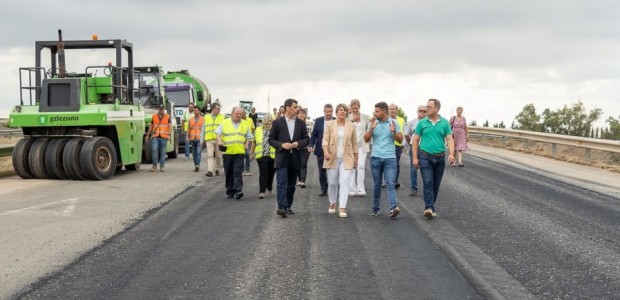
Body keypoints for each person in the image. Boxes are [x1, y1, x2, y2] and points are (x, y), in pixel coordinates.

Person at [412, 99, 455, 219]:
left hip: (440, 157)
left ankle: (431, 206)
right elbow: (415, 140)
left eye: (429, 107)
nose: (427, 109)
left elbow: (450, 139)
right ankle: (429, 207)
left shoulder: (445, 123)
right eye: (426, 106)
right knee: (428, 182)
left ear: (437, 109)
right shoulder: (422, 123)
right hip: (425, 156)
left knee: (436, 185)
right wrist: (415, 158)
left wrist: (452, 154)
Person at [269, 99, 309, 218]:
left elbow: (306, 139)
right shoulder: (277, 122)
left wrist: (298, 144)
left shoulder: (301, 124)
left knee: (291, 184)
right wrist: (281, 145)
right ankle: (281, 206)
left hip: (295, 157)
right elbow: (271, 139)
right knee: (281, 182)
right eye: (295, 107)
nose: (297, 109)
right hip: (282, 157)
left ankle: (288, 206)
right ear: (287, 108)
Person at [364, 102, 403, 218]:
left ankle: (393, 208)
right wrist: (371, 129)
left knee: (390, 182)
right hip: (376, 157)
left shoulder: (394, 123)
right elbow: (366, 139)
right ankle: (375, 209)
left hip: (390, 158)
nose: (375, 113)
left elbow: (400, 140)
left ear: (384, 112)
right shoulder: (373, 122)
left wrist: (393, 131)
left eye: (377, 111)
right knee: (377, 184)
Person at [322, 103, 358, 218]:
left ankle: (342, 207)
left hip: (347, 157)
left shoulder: (351, 126)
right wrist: (326, 152)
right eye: (340, 110)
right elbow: (325, 140)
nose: (342, 112)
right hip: (332, 157)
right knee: (332, 182)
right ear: (336, 112)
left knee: (345, 182)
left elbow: (354, 143)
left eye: (344, 110)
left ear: (347, 112)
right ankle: (332, 202)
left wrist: (356, 158)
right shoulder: (329, 124)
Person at [216, 107, 253, 200]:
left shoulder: (245, 124)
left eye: (241, 114)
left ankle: (238, 190)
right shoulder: (225, 122)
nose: (239, 116)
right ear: (232, 113)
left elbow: (249, 136)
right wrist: (219, 141)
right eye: (237, 114)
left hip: (239, 152)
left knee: (237, 171)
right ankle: (230, 191)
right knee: (228, 172)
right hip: (228, 152)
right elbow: (218, 133)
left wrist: (247, 144)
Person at [309, 104, 334, 196]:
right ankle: (324, 189)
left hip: (333, 150)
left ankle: (332, 189)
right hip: (320, 149)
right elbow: (314, 135)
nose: (329, 113)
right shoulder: (318, 121)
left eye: (331, 111)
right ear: (324, 112)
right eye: (327, 111)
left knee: (332, 170)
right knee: (322, 170)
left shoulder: (336, 120)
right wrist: (311, 144)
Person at [403, 105, 427, 196]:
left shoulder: (429, 123)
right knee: (413, 169)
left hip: (426, 149)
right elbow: (406, 134)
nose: (422, 113)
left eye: (424, 111)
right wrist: (411, 144)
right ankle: (414, 188)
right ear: (417, 112)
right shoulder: (411, 122)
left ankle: (427, 189)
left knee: (425, 170)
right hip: (414, 148)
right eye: (420, 111)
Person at [348, 99, 370, 197]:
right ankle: (352, 189)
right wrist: (352, 120)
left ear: (359, 107)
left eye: (356, 108)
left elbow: (369, 130)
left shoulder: (365, 117)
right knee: (352, 167)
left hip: (362, 146)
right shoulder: (348, 118)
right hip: (351, 146)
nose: (355, 110)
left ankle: (361, 189)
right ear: (351, 108)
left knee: (360, 166)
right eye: (353, 108)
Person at [251, 114, 276, 198]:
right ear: (263, 123)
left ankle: (269, 187)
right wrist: (251, 153)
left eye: (269, 123)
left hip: (273, 156)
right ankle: (262, 191)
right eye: (266, 124)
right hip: (261, 155)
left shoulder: (275, 131)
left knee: (271, 173)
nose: (267, 125)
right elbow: (254, 142)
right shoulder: (258, 130)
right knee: (263, 173)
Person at [147, 105, 172, 172]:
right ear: (158, 109)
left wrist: (169, 135)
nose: (161, 110)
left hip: (163, 136)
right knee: (154, 150)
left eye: (162, 109)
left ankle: (162, 166)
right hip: (155, 136)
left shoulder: (167, 117)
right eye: (160, 109)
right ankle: (154, 166)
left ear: (164, 109)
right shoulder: (154, 116)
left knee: (162, 152)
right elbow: (151, 126)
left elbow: (170, 126)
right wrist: (147, 135)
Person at [204, 103, 225, 177]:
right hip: (209, 139)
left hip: (218, 140)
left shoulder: (222, 117)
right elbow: (203, 128)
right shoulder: (206, 117)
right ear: (213, 109)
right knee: (210, 155)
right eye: (218, 109)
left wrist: (223, 140)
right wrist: (201, 138)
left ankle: (217, 169)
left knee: (218, 156)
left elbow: (224, 128)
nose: (219, 110)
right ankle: (210, 171)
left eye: (219, 109)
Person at [388, 103, 405, 189]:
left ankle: (395, 181)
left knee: (396, 164)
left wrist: (402, 145)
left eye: (393, 109)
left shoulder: (401, 120)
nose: (392, 110)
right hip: (388, 145)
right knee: (387, 163)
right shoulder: (386, 120)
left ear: (396, 110)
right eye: (390, 109)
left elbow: (403, 133)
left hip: (398, 144)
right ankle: (388, 180)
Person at [187, 106, 205, 172]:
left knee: (198, 152)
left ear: (199, 111)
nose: (195, 112)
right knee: (194, 154)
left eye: (196, 110)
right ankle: (196, 166)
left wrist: (204, 139)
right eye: (194, 110)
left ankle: (197, 165)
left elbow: (204, 130)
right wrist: (187, 136)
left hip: (199, 139)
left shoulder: (203, 119)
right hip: (192, 138)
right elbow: (189, 128)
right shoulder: (191, 119)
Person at [296, 108, 310, 188]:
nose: (301, 114)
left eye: (303, 113)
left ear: (305, 115)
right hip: (296, 146)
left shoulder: (309, 124)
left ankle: (302, 181)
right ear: (297, 115)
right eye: (300, 113)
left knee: (303, 163)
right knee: (298, 164)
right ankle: (299, 178)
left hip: (306, 147)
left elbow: (311, 135)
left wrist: (311, 145)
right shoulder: (294, 124)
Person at [242, 110, 255, 176]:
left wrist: (251, 135)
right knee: (241, 154)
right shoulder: (239, 120)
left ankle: (247, 169)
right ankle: (242, 169)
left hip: (248, 139)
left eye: (243, 114)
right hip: (241, 140)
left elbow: (253, 129)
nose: (242, 115)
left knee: (247, 154)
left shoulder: (250, 120)